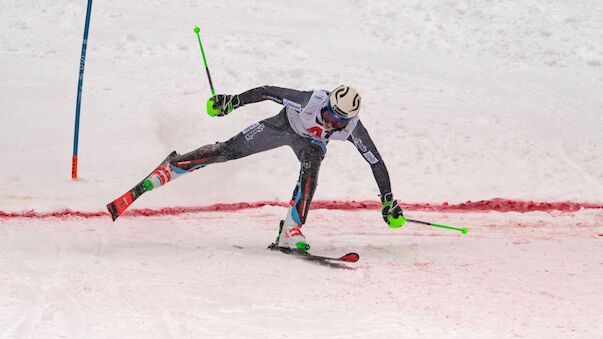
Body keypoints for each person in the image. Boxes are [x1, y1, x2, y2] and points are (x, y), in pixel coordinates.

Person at [107, 85, 405, 251]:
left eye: (338, 121)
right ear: (326, 103)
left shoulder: (353, 129)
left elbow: (375, 160)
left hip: (310, 145)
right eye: (329, 113)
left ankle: (291, 229)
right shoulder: (311, 101)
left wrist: (388, 200)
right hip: (280, 126)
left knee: (312, 167)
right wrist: (232, 102)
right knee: (227, 151)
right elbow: (266, 91)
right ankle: (171, 169)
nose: (330, 121)